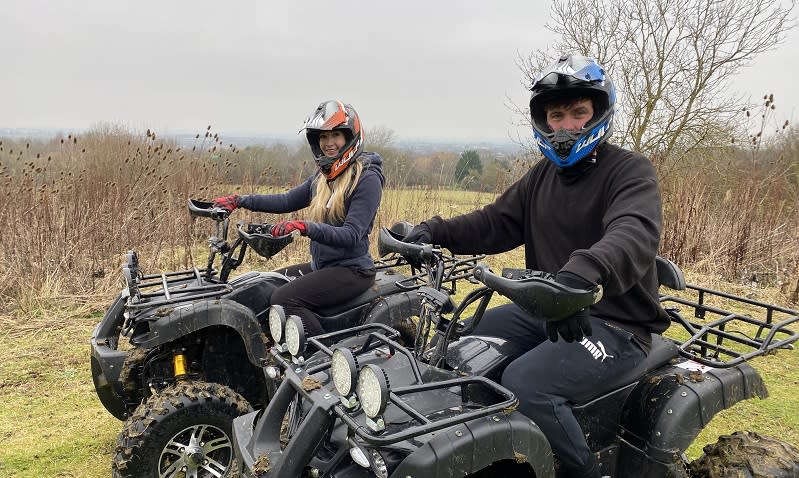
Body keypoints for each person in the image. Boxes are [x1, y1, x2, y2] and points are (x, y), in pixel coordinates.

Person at [403, 55, 669, 478]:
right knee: (461, 348)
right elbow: (494, 222)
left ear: (599, 114)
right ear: (542, 120)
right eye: (556, 114)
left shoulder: (630, 171)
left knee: (530, 385)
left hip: (615, 322)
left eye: (578, 113)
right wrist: (432, 231)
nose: (565, 126)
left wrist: (585, 269)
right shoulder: (541, 176)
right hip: (550, 310)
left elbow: (632, 232)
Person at [213, 99, 384, 337]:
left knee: (283, 299)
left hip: (352, 271)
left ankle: (324, 359)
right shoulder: (324, 177)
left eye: (335, 135)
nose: (328, 143)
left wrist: (305, 227)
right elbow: (287, 201)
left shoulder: (367, 179)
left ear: (350, 137)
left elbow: (351, 235)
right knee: (263, 286)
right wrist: (240, 200)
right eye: (322, 137)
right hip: (322, 266)